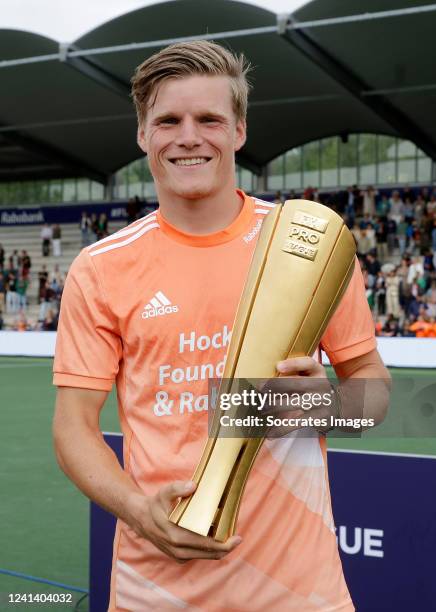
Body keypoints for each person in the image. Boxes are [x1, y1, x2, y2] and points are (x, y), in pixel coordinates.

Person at [52, 40, 390, 612]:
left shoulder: (309, 246)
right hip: (156, 589)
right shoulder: (102, 268)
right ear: (142, 135)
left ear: (238, 130)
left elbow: (374, 393)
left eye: (209, 118)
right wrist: (139, 511)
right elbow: (72, 428)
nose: (188, 136)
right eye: (168, 120)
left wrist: (328, 406)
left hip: (301, 590)